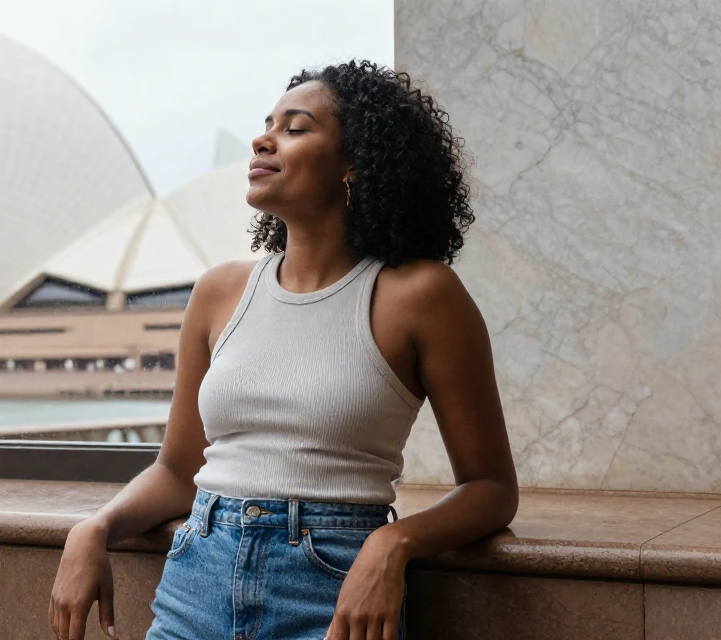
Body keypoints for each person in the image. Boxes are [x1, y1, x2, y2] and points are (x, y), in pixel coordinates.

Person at [50, 60, 518, 640]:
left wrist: (392, 542)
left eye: (295, 128)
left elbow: (491, 489)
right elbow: (177, 469)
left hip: (336, 588)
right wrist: (93, 529)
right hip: (195, 584)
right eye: (267, 123)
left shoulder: (419, 296)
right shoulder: (219, 292)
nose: (262, 138)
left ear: (354, 163)